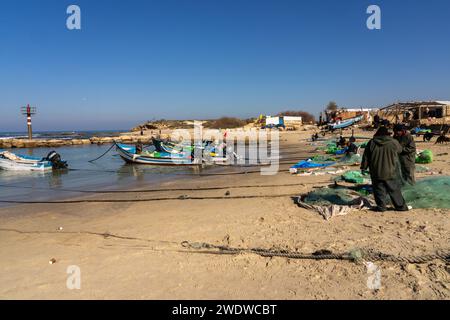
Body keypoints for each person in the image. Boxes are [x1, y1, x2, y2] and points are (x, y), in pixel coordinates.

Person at [361, 126, 409, 212]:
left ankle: (381, 207)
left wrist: (364, 167)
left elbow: (366, 157)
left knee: (379, 190)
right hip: (390, 171)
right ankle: (401, 207)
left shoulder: (372, 142)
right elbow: (400, 150)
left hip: (376, 171)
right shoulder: (393, 142)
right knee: (394, 190)